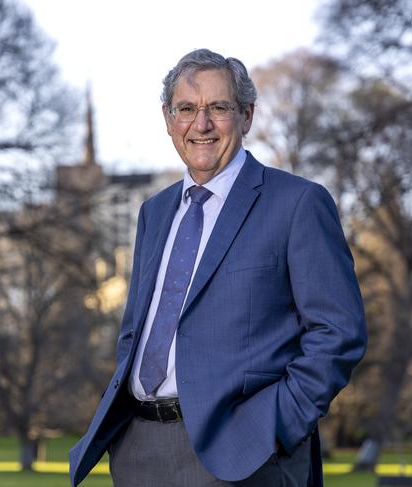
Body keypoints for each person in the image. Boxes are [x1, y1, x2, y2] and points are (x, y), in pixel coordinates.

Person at [69, 48, 367, 487]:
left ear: (246, 116)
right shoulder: (155, 211)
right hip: (139, 451)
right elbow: (138, 330)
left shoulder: (297, 204)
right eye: (187, 109)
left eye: (218, 108)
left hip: (243, 456)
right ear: (169, 119)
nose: (201, 124)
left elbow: (339, 332)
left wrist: (276, 426)